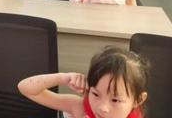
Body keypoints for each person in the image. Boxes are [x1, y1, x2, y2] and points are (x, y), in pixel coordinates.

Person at [18, 46, 148, 118]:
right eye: (95, 94)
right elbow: (25, 88)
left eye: (115, 100)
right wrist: (63, 78)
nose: (102, 108)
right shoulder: (80, 108)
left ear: (138, 100)